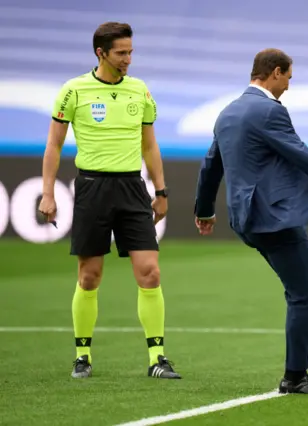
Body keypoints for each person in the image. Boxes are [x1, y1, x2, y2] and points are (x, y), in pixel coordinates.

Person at [194, 48, 308, 394]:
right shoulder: (268, 111)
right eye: (289, 78)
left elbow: (211, 165)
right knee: (303, 295)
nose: (289, 87)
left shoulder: (228, 111)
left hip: (245, 220)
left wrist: (204, 209)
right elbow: (303, 155)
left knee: (296, 291)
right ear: (275, 72)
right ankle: (295, 376)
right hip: (274, 217)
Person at [38, 22, 180, 379]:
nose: (128, 59)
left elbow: (150, 145)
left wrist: (160, 192)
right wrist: (48, 192)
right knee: (89, 276)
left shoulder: (139, 91)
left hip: (133, 189)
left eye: (131, 52)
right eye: (121, 53)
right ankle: (82, 356)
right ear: (100, 53)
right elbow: (54, 145)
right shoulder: (73, 91)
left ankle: (157, 359)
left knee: (150, 272)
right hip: (92, 188)